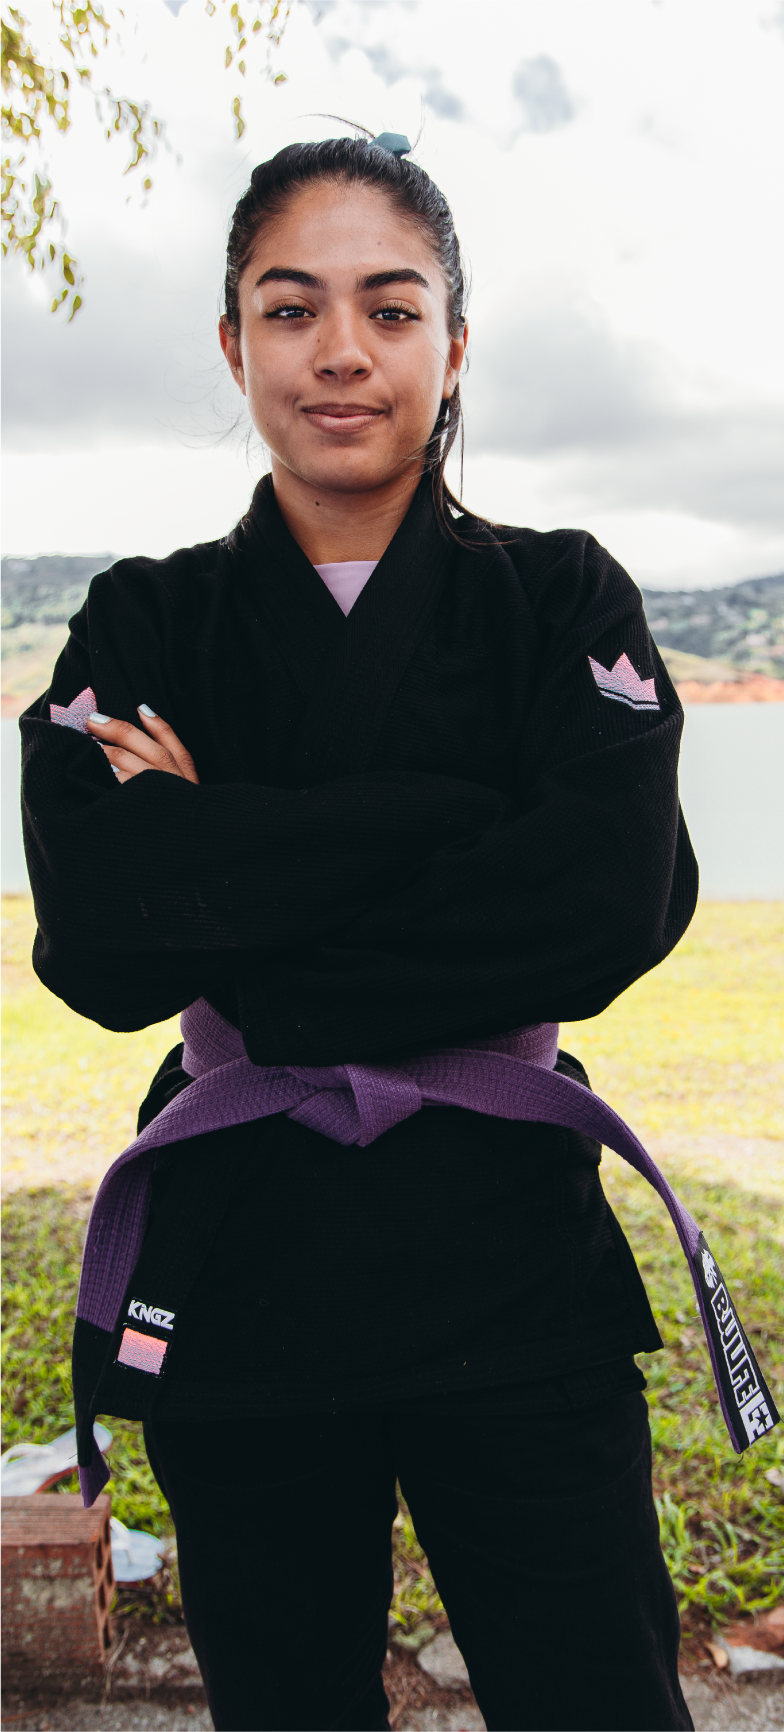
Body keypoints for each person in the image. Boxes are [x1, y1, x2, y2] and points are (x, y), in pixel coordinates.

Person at [21, 132, 701, 1730]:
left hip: (508, 1257)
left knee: (601, 1698)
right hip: (243, 1256)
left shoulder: (558, 598)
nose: (342, 353)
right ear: (231, 341)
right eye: (290, 307)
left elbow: (608, 901)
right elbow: (104, 943)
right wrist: (455, 818)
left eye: (392, 311)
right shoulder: (146, 617)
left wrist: (222, 848)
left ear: (454, 342)